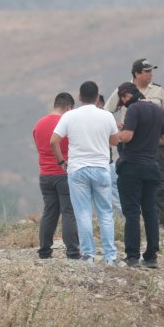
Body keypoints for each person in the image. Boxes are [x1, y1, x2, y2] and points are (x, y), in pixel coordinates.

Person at [49, 81, 119, 264]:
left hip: (77, 169)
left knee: (83, 213)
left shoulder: (70, 116)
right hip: (101, 168)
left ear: (80, 97)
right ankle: (110, 256)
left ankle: (88, 255)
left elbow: (53, 141)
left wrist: (61, 161)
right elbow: (114, 142)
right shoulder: (106, 116)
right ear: (97, 98)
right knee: (105, 213)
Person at [105, 58, 164, 229]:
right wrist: (117, 126)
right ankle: (137, 221)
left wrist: (162, 142)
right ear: (136, 74)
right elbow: (106, 113)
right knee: (132, 183)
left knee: (159, 182)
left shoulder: (158, 91)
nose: (151, 74)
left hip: (154, 144)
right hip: (130, 147)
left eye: (151, 70)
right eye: (147, 71)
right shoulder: (123, 91)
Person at [115, 81, 164, 268]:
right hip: (152, 166)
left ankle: (132, 256)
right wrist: (147, 139)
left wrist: (119, 132)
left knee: (132, 212)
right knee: (150, 212)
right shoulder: (158, 111)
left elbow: (127, 137)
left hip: (132, 166)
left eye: (122, 100)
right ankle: (151, 256)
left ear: (126, 96)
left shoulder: (134, 110)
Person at [32, 92, 81, 259]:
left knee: (49, 213)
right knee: (68, 212)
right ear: (68, 107)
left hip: (45, 175)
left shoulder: (39, 124)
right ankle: (73, 251)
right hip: (64, 173)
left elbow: (40, 148)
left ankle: (45, 251)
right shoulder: (66, 123)